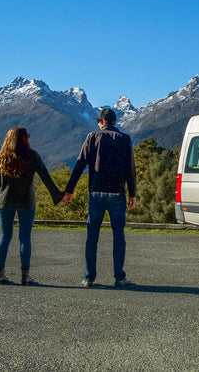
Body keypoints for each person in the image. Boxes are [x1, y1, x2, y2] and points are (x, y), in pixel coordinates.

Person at [62, 108, 136, 288]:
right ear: (114, 122)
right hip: (117, 194)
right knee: (119, 236)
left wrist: (69, 190)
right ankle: (119, 277)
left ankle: (89, 278)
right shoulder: (125, 139)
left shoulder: (91, 137)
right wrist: (132, 193)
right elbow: (130, 169)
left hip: (95, 193)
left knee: (92, 237)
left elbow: (80, 164)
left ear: (102, 122)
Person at [0, 127, 64, 285]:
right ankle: (25, 276)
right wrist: (58, 195)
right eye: (28, 136)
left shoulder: (2, 157)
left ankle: (0, 273)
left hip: (5, 201)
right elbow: (46, 177)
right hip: (26, 201)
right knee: (25, 238)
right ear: (24, 138)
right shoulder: (32, 156)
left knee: (4, 237)